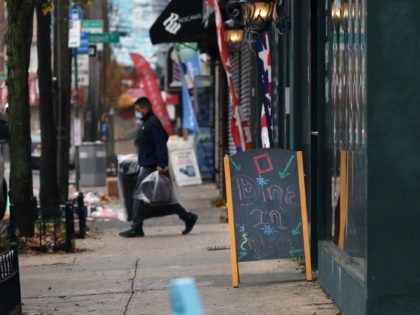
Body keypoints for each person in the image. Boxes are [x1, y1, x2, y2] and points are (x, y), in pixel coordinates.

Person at [119, 97, 198, 238]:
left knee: (139, 195)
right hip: (149, 164)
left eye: (138, 110)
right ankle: (187, 217)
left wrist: (161, 164)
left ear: (145, 108)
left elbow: (161, 143)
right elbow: (162, 138)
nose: (136, 112)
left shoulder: (152, 123)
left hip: (153, 166)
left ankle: (136, 228)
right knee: (161, 198)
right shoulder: (147, 123)